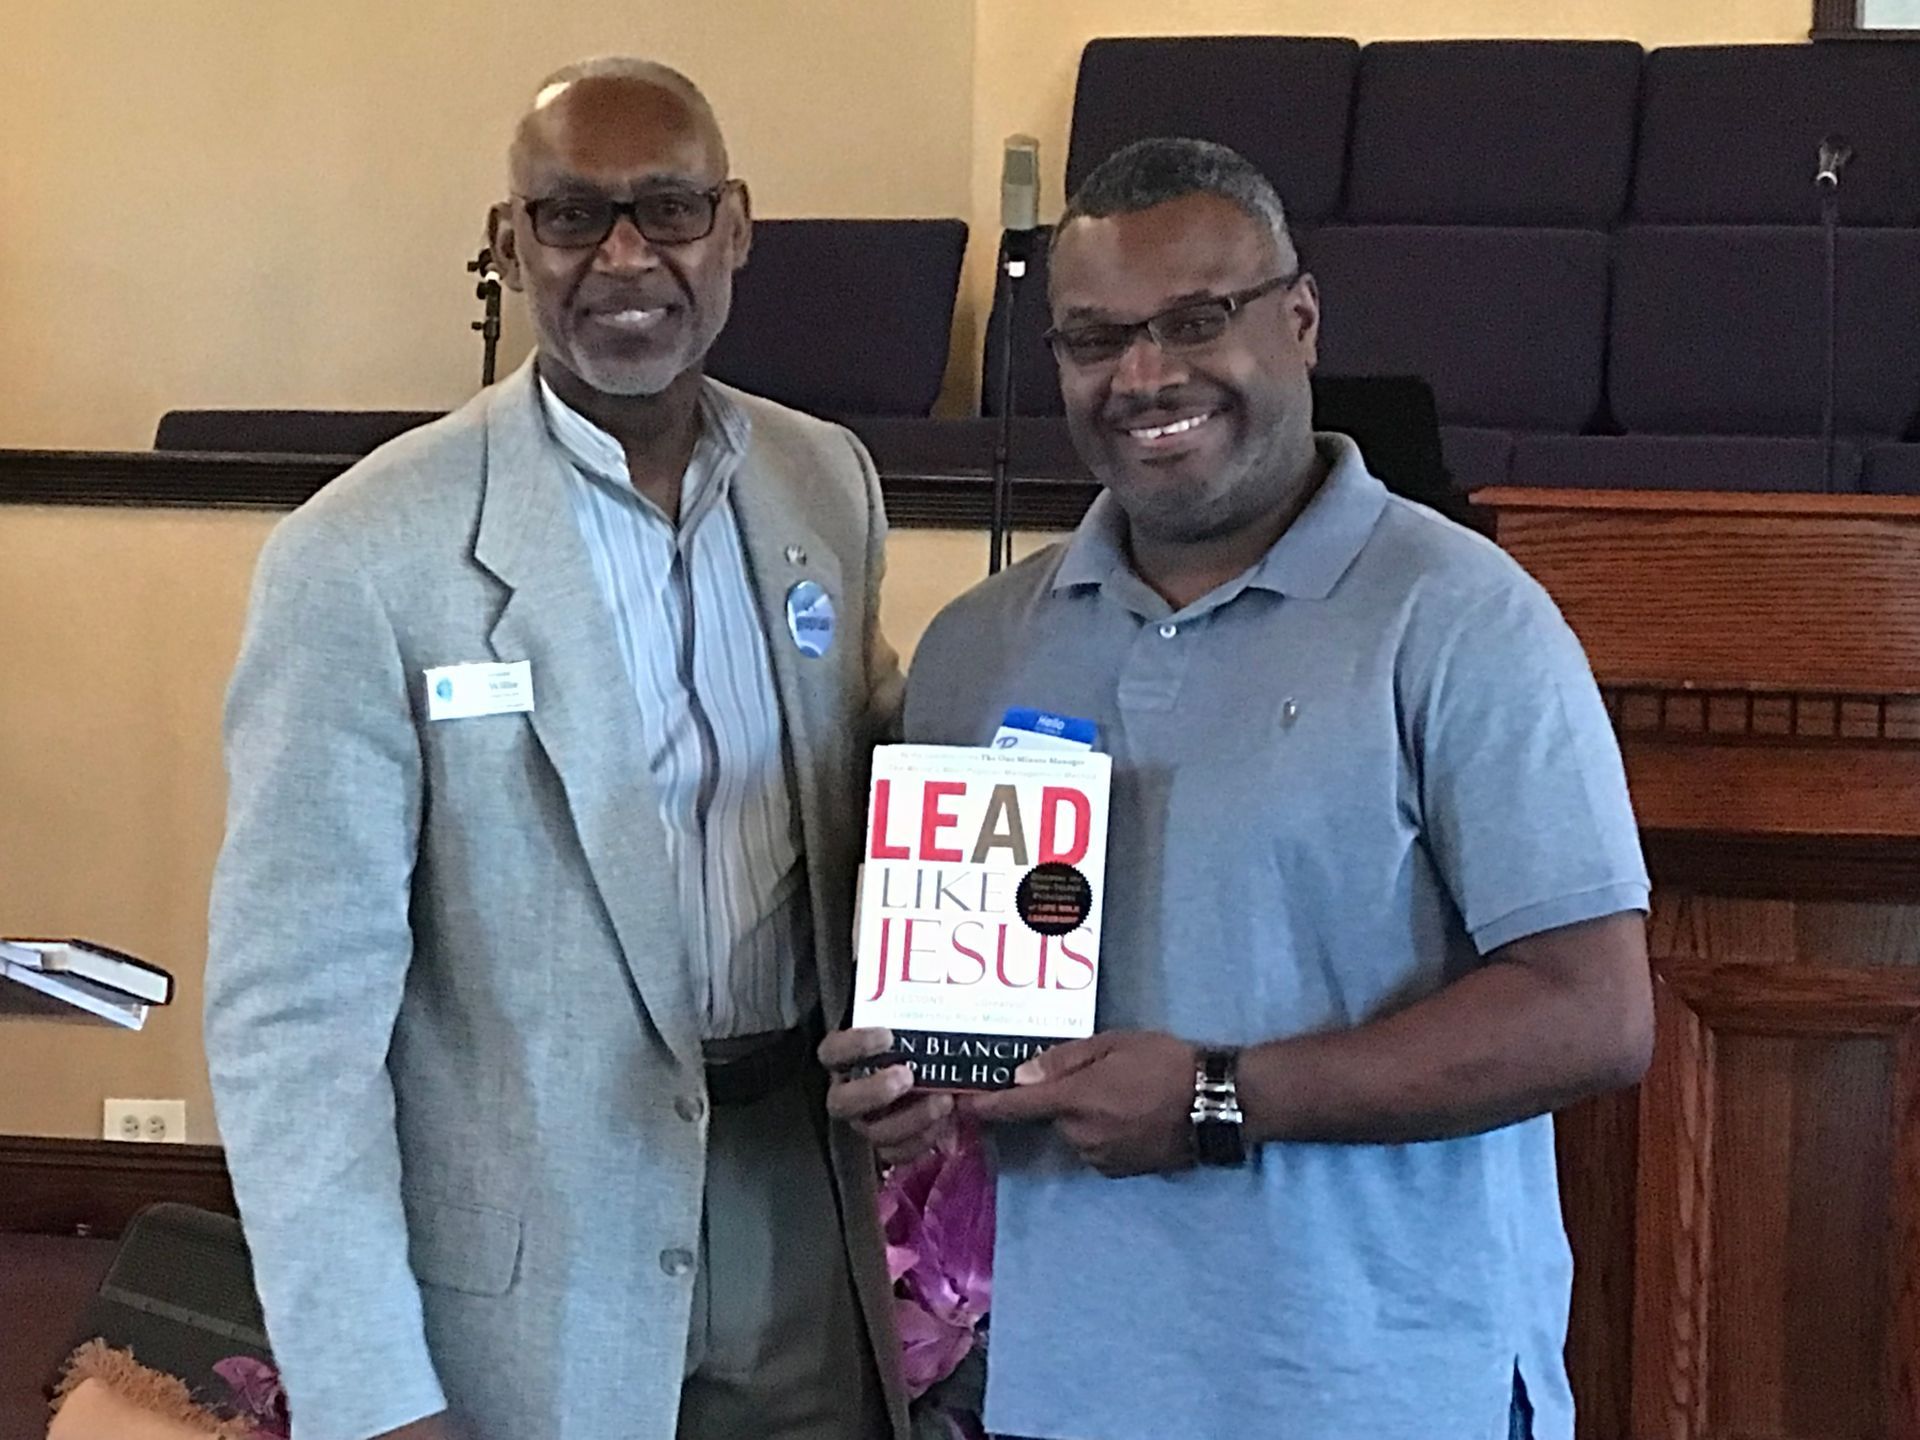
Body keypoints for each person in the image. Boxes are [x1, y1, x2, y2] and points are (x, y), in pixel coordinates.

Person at [822, 137, 1653, 1440]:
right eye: (1096, 338)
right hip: (1069, 1393)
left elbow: (1595, 1014)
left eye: (1197, 320)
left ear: (1301, 321)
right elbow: (979, 1013)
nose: (1146, 376)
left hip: (1383, 1393)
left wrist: (1219, 1096)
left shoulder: (1462, 617)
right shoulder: (976, 649)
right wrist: (914, 1089)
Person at [206, 57, 905, 1440]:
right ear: (510, 240)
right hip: (534, 1276)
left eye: (672, 208)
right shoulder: (363, 554)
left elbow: (864, 800)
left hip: (800, 1212)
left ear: (738, 227)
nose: (627, 257)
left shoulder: (825, 481)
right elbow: (293, 1022)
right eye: (574, 215)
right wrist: (370, 1392)